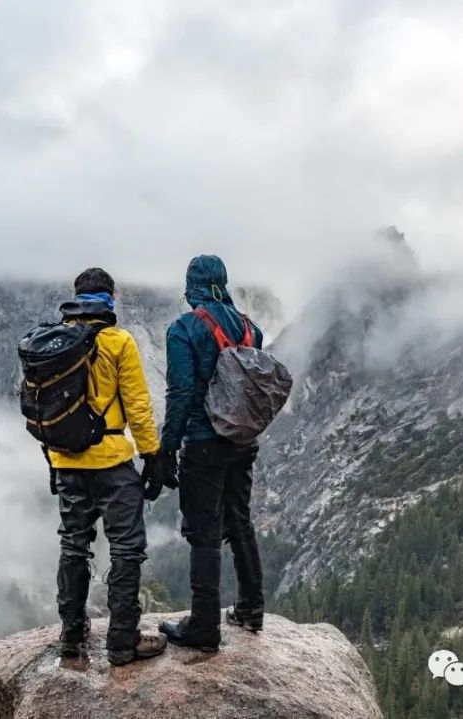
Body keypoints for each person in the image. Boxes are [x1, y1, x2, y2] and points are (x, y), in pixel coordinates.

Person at [49, 267, 169, 666]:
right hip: (113, 462)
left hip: (66, 461)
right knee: (126, 550)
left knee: (73, 546)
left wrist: (54, 460)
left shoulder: (53, 343)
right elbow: (137, 406)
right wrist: (152, 457)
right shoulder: (118, 341)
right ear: (111, 298)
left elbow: (44, 412)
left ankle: (71, 638)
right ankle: (122, 642)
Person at [158, 255, 266, 652]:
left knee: (203, 532)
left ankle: (204, 627)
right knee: (239, 520)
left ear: (192, 286)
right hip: (242, 441)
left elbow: (181, 394)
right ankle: (251, 609)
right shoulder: (251, 329)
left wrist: (165, 449)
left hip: (204, 444)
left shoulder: (185, 329)